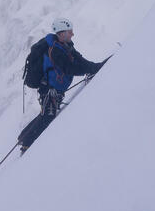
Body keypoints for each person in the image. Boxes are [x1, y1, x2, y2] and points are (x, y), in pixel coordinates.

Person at [18, 18, 106, 153]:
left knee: (46, 113)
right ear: (61, 33)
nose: (72, 34)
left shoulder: (66, 45)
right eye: (70, 32)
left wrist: (95, 67)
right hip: (49, 90)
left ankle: (24, 137)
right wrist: (92, 69)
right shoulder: (55, 50)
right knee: (48, 116)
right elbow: (69, 68)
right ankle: (26, 144)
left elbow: (79, 60)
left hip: (52, 89)